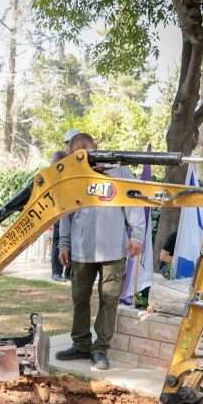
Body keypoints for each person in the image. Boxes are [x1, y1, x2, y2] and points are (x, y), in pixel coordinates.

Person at [55, 132, 145, 370]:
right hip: (81, 251)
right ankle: (81, 344)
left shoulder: (120, 173)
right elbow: (65, 214)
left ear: (96, 148)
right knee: (79, 299)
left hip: (113, 250)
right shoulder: (71, 177)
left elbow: (134, 204)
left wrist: (137, 235)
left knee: (109, 300)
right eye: (78, 154)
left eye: (88, 151)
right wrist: (63, 243)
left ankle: (100, 349)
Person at [49, 149, 71, 281]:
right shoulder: (59, 157)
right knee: (59, 239)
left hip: (69, 206)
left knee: (70, 239)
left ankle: (68, 273)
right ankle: (56, 272)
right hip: (58, 208)